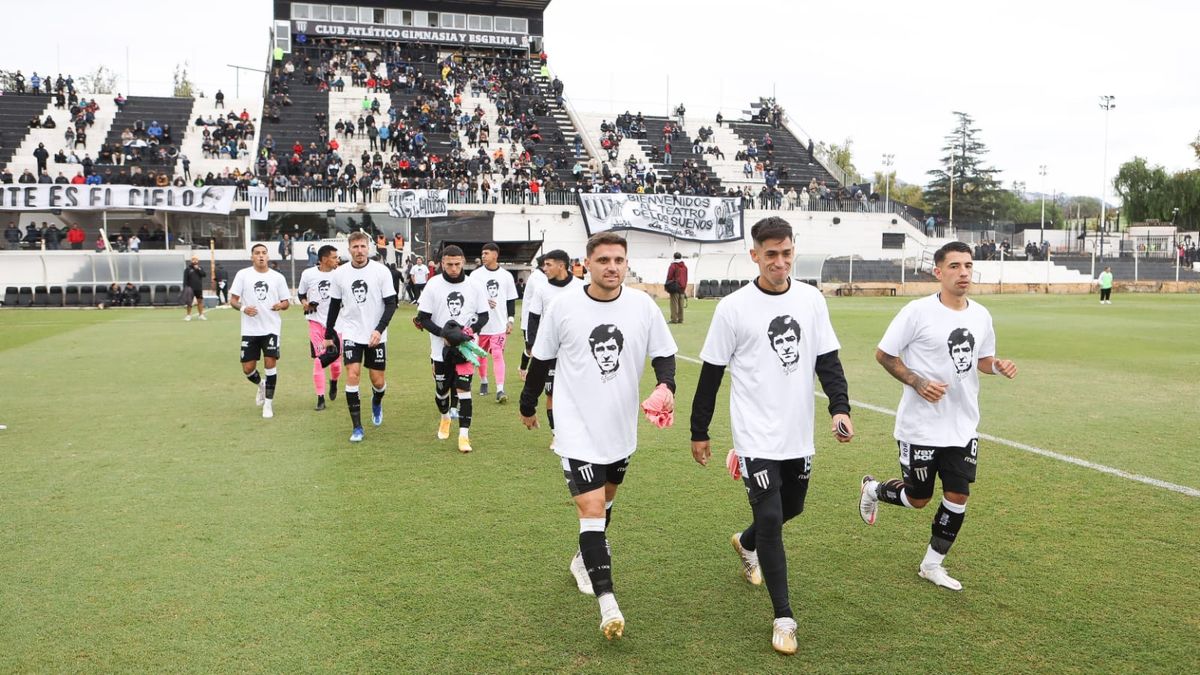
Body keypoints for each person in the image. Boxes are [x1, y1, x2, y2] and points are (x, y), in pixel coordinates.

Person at [689, 216, 853, 655]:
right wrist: (699, 431)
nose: (780, 262)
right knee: (769, 520)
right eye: (771, 255)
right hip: (755, 434)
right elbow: (711, 374)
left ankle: (744, 544)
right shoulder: (734, 308)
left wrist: (840, 407)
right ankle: (784, 617)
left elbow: (827, 360)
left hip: (797, 431)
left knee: (790, 508)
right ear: (755, 255)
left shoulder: (811, 300)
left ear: (793, 251)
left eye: (786, 253)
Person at [519, 231, 678, 641]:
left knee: (605, 503)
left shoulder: (642, 306)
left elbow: (663, 353)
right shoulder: (563, 306)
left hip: (620, 428)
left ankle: (581, 559)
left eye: (619, 260)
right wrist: (527, 402)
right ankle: (608, 603)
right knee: (590, 509)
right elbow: (542, 358)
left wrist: (667, 386)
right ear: (585, 264)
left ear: (626, 264)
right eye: (604, 260)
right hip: (575, 427)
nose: (612, 267)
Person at [858, 241, 1018, 592]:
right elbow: (884, 354)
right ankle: (872, 489)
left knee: (958, 496)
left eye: (968, 266)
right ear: (938, 271)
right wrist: (917, 382)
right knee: (918, 499)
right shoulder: (917, 312)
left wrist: (998, 366)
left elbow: (982, 360)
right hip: (921, 427)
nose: (964, 272)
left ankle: (932, 565)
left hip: (962, 425)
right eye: (955, 266)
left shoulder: (981, 315)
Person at [323, 232, 399, 442]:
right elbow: (334, 305)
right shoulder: (340, 274)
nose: (359, 251)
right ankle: (357, 427)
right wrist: (328, 334)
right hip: (351, 332)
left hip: (376, 334)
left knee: (378, 380)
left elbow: (391, 304)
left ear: (369, 248)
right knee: (353, 374)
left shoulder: (381, 272)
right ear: (349, 250)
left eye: (362, 246)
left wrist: (379, 330)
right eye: (355, 247)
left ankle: (377, 399)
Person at [417, 245, 489, 452]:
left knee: (464, 391)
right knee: (442, 392)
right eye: (449, 264)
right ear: (442, 263)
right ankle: (445, 417)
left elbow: (484, 315)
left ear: (463, 262)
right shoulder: (433, 285)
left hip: (465, 349)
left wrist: (468, 332)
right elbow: (423, 318)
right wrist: (445, 335)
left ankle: (464, 436)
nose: (454, 268)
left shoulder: (474, 286)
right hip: (440, 350)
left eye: (458, 264)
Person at [523, 250, 582, 448]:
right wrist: (531, 344)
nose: (544, 268)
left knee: (577, 393)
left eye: (548, 265)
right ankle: (557, 434)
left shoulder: (580, 287)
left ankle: (578, 431)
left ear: (561, 265)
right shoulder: (541, 289)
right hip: (550, 351)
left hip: (576, 351)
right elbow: (534, 317)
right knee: (551, 393)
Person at [229, 244, 291, 419]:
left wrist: (280, 305)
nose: (261, 256)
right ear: (252, 257)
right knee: (248, 368)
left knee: (270, 365)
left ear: (268, 256)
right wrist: (243, 309)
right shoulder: (243, 275)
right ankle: (261, 385)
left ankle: (268, 405)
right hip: (250, 329)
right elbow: (233, 300)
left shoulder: (277, 277)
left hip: (271, 329)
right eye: (257, 253)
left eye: (264, 253)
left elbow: (286, 302)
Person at [469, 242, 519, 403]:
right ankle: (484, 381)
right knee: (481, 355)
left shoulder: (506, 276)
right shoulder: (476, 275)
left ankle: (500, 389)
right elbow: (470, 298)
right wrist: (483, 302)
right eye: (482, 253)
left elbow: (511, 301)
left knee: (497, 354)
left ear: (495, 255)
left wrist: (510, 320)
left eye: (486, 253)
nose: (483, 256)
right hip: (480, 325)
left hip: (499, 325)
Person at [298, 245, 344, 411]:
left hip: (338, 324)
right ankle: (320, 398)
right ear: (324, 259)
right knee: (318, 360)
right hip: (316, 323)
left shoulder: (341, 273)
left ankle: (334, 381)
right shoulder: (308, 274)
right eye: (334, 257)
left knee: (336, 362)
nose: (337, 260)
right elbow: (301, 294)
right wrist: (305, 304)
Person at [518, 255, 548, 380]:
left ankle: (539, 374)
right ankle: (523, 368)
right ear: (543, 265)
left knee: (542, 347)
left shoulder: (543, 276)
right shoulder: (536, 277)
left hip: (541, 320)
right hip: (529, 321)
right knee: (531, 349)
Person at [665, 252, 688, 324]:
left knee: (674, 304)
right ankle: (681, 319)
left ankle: (674, 319)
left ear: (674, 257)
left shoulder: (673, 266)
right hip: (682, 287)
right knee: (681, 304)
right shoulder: (685, 267)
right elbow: (686, 278)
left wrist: (668, 284)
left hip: (675, 287)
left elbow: (669, 276)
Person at [182, 255, 207, 320]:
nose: (195, 261)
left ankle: (201, 315)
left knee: (200, 301)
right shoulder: (187, 269)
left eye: (196, 259)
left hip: (199, 288)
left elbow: (204, 275)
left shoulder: (200, 268)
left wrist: (198, 269)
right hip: (190, 289)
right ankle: (188, 315)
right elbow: (185, 279)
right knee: (189, 302)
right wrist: (185, 288)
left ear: (198, 261)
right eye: (193, 259)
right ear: (191, 261)